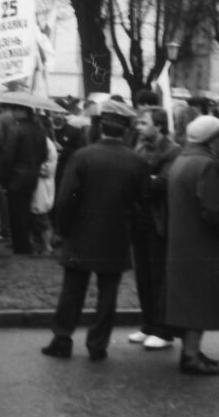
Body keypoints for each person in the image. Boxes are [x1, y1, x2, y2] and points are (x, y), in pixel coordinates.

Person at [41, 100, 150, 361]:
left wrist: (63, 229)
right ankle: (98, 344)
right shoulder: (136, 162)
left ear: (101, 125)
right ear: (125, 130)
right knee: (108, 293)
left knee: (72, 290)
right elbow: (142, 203)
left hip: (81, 232)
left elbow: (67, 198)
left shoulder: (83, 156)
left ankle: (62, 338)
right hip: (116, 234)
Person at [165, 115, 219, 375]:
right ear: (212, 139)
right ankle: (191, 355)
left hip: (183, 242)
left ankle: (191, 350)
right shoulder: (206, 165)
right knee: (199, 299)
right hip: (204, 244)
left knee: (188, 298)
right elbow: (214, 210)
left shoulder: (183, 160)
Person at [127, 107, 181, 350]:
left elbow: (163, 184)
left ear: (159, 126)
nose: (139, 126)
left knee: (159, 275)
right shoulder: (140, 147)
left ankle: (163, 330)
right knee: (143, 275)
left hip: (159, 220)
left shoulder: (172, 151)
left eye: (144, 122)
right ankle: (148, 324)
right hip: (140, 218)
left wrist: (141, 180)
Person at [0, 103, 47, 254]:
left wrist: (2, 177)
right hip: (33, 174)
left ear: (22, 111)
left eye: (15, 110)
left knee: (16, 210)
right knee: (26, 208)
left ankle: (21, 244)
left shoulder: (15, 129)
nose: (12, 113)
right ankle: (27, 242)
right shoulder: (39, 130)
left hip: (16, 175)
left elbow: (8, 156)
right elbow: (44, 154)